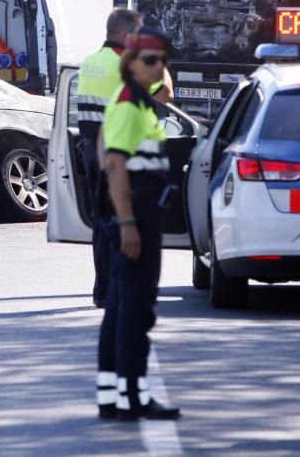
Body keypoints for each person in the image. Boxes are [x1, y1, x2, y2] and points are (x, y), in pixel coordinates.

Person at [96, 27, 181, 422]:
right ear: (130, 63)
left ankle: (114, 396)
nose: (159, 66)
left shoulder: (140, 104)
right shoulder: (129, 104)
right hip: (135, 218)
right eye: (150, 60)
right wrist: (128, 222)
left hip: (140, 216)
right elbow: (114, 164)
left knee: (121, 307)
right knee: (135, 310)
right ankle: (132, 398)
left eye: (163, 60)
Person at [77, 10, 175, 309]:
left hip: (91, 148)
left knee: (102, 222)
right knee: (126, 222)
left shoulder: (89, 62)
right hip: (121, 150)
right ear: (125, 36)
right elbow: (166, 94)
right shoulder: (126, 70)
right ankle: (122, 289)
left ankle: (103, 289)